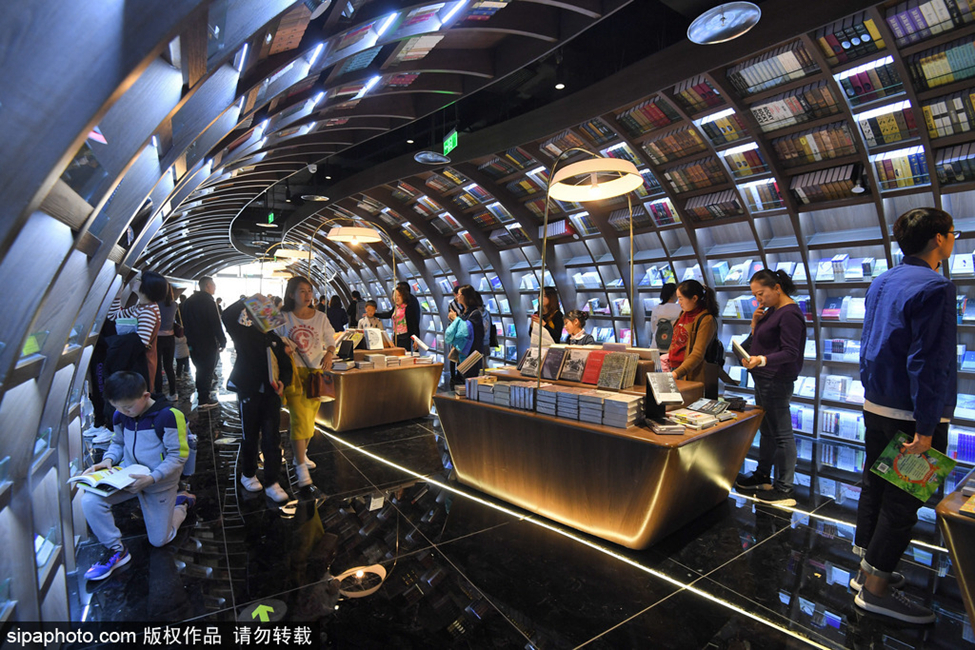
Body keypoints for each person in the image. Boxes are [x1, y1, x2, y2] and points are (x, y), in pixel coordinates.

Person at [853, 208, 957, 624]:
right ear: (938, 238)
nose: (953, 240)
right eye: (953, 233)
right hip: (913, 416)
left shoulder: (883, 281)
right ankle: (876, 592)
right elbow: (929, 361)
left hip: (877, 405)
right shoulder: (937, 286)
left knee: (876, 490)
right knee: (904, 504)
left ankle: (866, 572)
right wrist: (927, 427)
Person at [81, 371, 194, 581]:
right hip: (128, 476)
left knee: (159, 541)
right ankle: (116, 550)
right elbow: (118, 442)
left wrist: (153, 478)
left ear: (145, 396)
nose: (123, 412)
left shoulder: (169, 416)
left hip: (159, 482)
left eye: (128, 407)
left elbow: (178, 456)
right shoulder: (120, 416)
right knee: (90, 500)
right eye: (117, 407)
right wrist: (108, 460)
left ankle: (181, 504)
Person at [734, 269, 805, 508]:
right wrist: (755, 324)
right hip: (764, 378)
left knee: (782, 434)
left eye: (761, 293)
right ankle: (763, 475)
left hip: (776, 379)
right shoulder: (773, 311)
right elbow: (763, 341)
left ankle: (784, 488)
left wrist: (762, 360)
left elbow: (790, 352)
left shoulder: (790, 313)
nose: (758, 299)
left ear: (777, 287)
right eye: (755, 295)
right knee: (767, 430)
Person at [222, 297, 294, 503]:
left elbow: (286, 366)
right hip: (249, 393)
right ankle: (248, 473)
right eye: (259, 312)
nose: (265, 315)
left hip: (271, 396)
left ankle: (272, 481)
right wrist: (246, 300)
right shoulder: (243, 334)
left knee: (272, 438)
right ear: (251, 317)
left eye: (268, 311)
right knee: (250, 435)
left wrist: (283, 382)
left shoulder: (276, 339)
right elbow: (227, 316)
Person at [276, 276, 336, 491]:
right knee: (299, 417)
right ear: (291, 294)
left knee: (309, 419)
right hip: (293, 374)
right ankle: (300, 465)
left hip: (315, 374)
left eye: (309, 290)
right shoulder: (283, 317)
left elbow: (330, 340)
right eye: (302, 291)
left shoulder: (320, 317)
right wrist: (282, 348)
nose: (308, 295)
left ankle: (301, 455)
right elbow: (271, 341)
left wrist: (329, 353)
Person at [106, 271, 168, 394]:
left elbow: (141, 343)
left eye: (140, 280)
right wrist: (117, 296)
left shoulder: (148, 312)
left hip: (140, 364)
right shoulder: (141, 307)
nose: (136, 281)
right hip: (135, 361)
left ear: (147, 287)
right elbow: (113, 316)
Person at [180, 276, 226, 410]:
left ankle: (201, 394)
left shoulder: (188, 301)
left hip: (192, 342)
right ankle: (204, 399)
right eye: (213, 285)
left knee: (200, 368)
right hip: (207, 342)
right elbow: (215, 323)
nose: (215, 287)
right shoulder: (209, 302)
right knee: (207, 370)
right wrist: (222, 340)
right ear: (207, 286)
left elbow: (184, 322)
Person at [666, 279, 718, 384]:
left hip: (690, 373)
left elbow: (698, 353)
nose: (679, 302)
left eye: (681, 299)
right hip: (675, 369)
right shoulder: (684, 313)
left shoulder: (706, 320)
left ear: (694, 298)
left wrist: (676, 373)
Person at [376, 284, 419, 350]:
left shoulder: (408, 308)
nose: (396, 298)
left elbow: (414, 324)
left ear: (403, 296)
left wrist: (416, 339)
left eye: (399, 295)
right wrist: (375, 314)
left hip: (405, 336)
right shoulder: (396, 308)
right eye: (394, 295)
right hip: (396, 336)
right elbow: (388, 314)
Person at [155, 284, 179, 399]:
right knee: (169, 366)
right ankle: (173, 393)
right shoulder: (174, 305)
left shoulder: (155, 304)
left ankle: (159, 393)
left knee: (157, 367)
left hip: (157, 338)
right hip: (170, 338)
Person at [457, 285, 486, 377]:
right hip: (463, 351)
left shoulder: (475, 313)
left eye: (459, 294)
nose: (457, 296)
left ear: (465, 296)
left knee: (471, 377)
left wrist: (455, 319)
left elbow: (467, 330)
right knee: (464, 377)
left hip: (472, 353)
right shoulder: (463, 312)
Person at [650, 283, 682, 350]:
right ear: (674, 294)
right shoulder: (681, 309)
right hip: (673, 346)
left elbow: (653, 329)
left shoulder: (656, 308)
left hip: (656, 345)